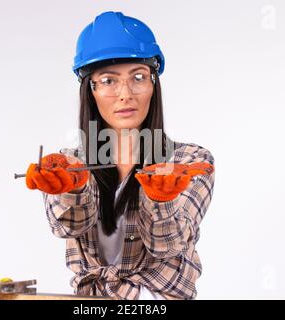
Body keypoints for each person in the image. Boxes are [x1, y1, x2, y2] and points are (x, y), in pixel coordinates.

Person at [25, 11, 215, 300]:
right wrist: (73, 187)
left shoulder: (189, 162)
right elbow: (67, 226)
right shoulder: (68, 164)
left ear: (153, 84)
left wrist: (160, 199)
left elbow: (168, 245)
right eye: (108, 80)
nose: (125, 93)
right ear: (90, 90)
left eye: (138, 77)